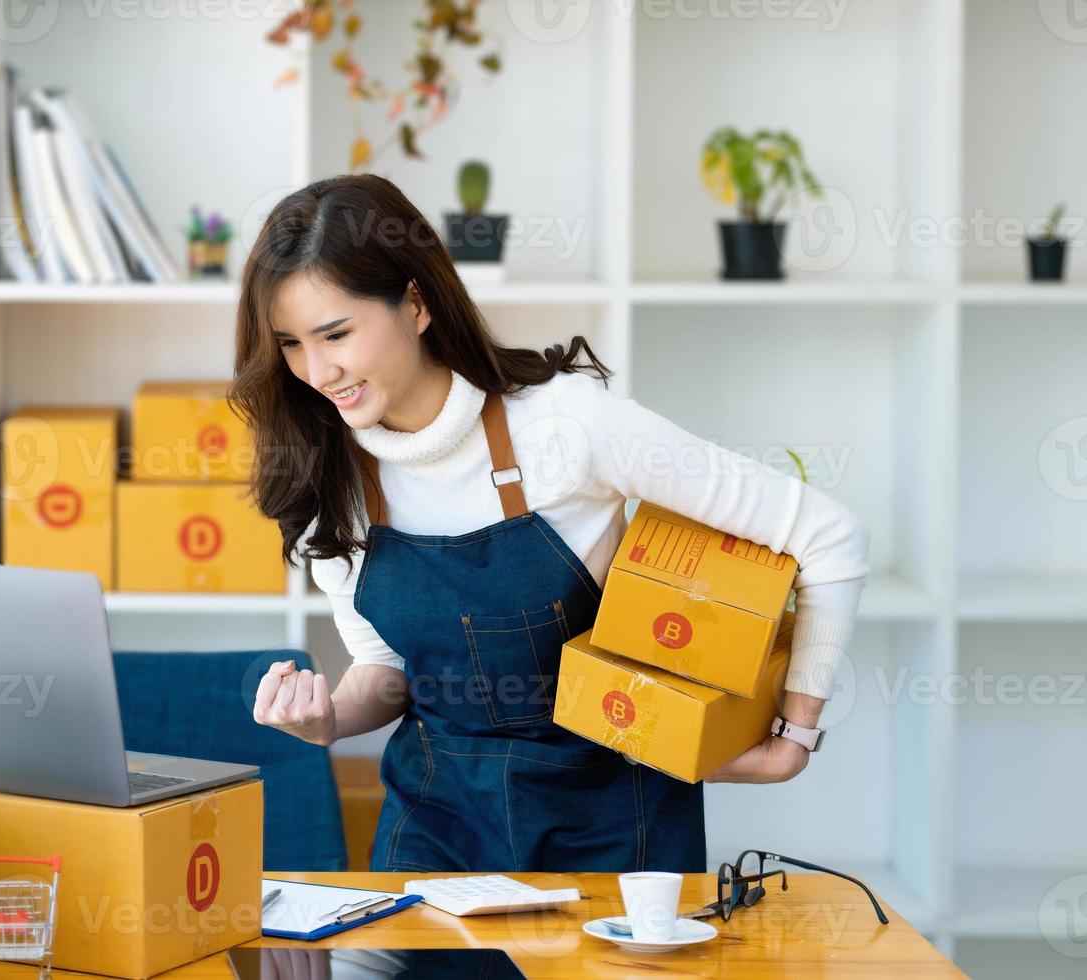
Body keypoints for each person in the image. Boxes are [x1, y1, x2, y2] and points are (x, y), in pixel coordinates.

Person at [229, 174, 869, 873]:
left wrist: (794, 738)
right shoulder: (329, 478)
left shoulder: (567, 428)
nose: (317, 370)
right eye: (290, 345)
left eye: (336, 333)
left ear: (415, 303)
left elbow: (828, 535)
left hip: (613, 832)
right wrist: (327, 722)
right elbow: (388, 670)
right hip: (434, 836)